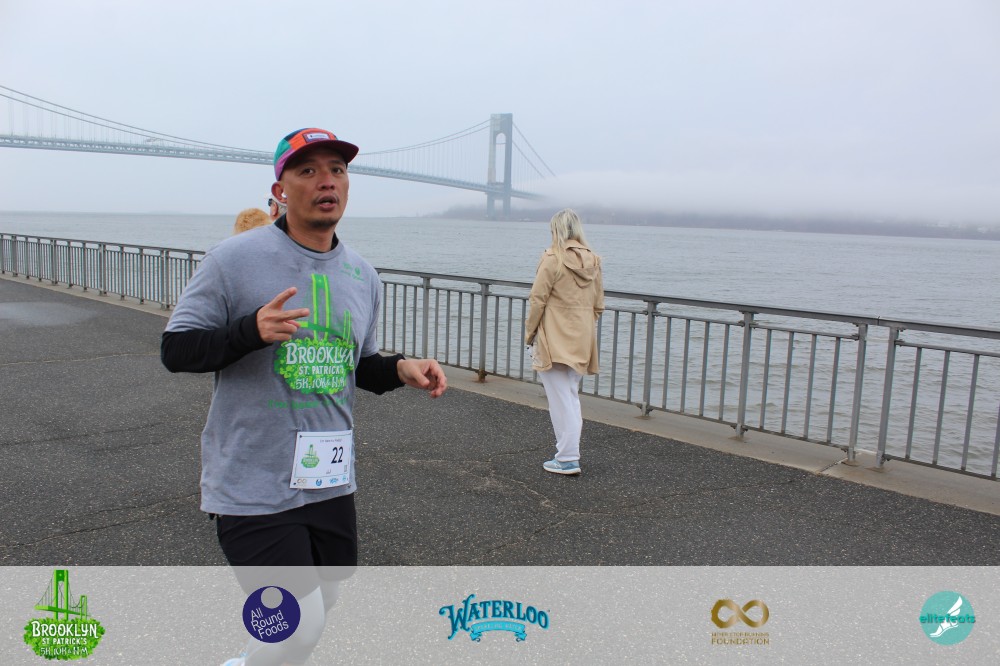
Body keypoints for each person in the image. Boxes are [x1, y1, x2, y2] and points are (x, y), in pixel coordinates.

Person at [161, 127, 447, 666]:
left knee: (325, 600)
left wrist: (399, 369)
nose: (326, 181)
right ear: (281, 189)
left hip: (329, 478)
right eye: (308, 170)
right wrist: (250, 331)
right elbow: (175, 350)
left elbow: (356, 365)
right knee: (300, 624)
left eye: (337, 170)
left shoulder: (363, 275)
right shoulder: (232, 259)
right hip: (253, 480)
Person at [525, 209, 604, 476]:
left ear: (555, 230)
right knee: (569, 396)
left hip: (554, 338)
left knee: (560, 400)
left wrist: (530, 333)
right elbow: (598, 305)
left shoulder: (552, 259)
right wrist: (582, 326)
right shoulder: (593, 260)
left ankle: (568, 457)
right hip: (582, 338)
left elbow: (538, 300)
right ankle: (566, 453)